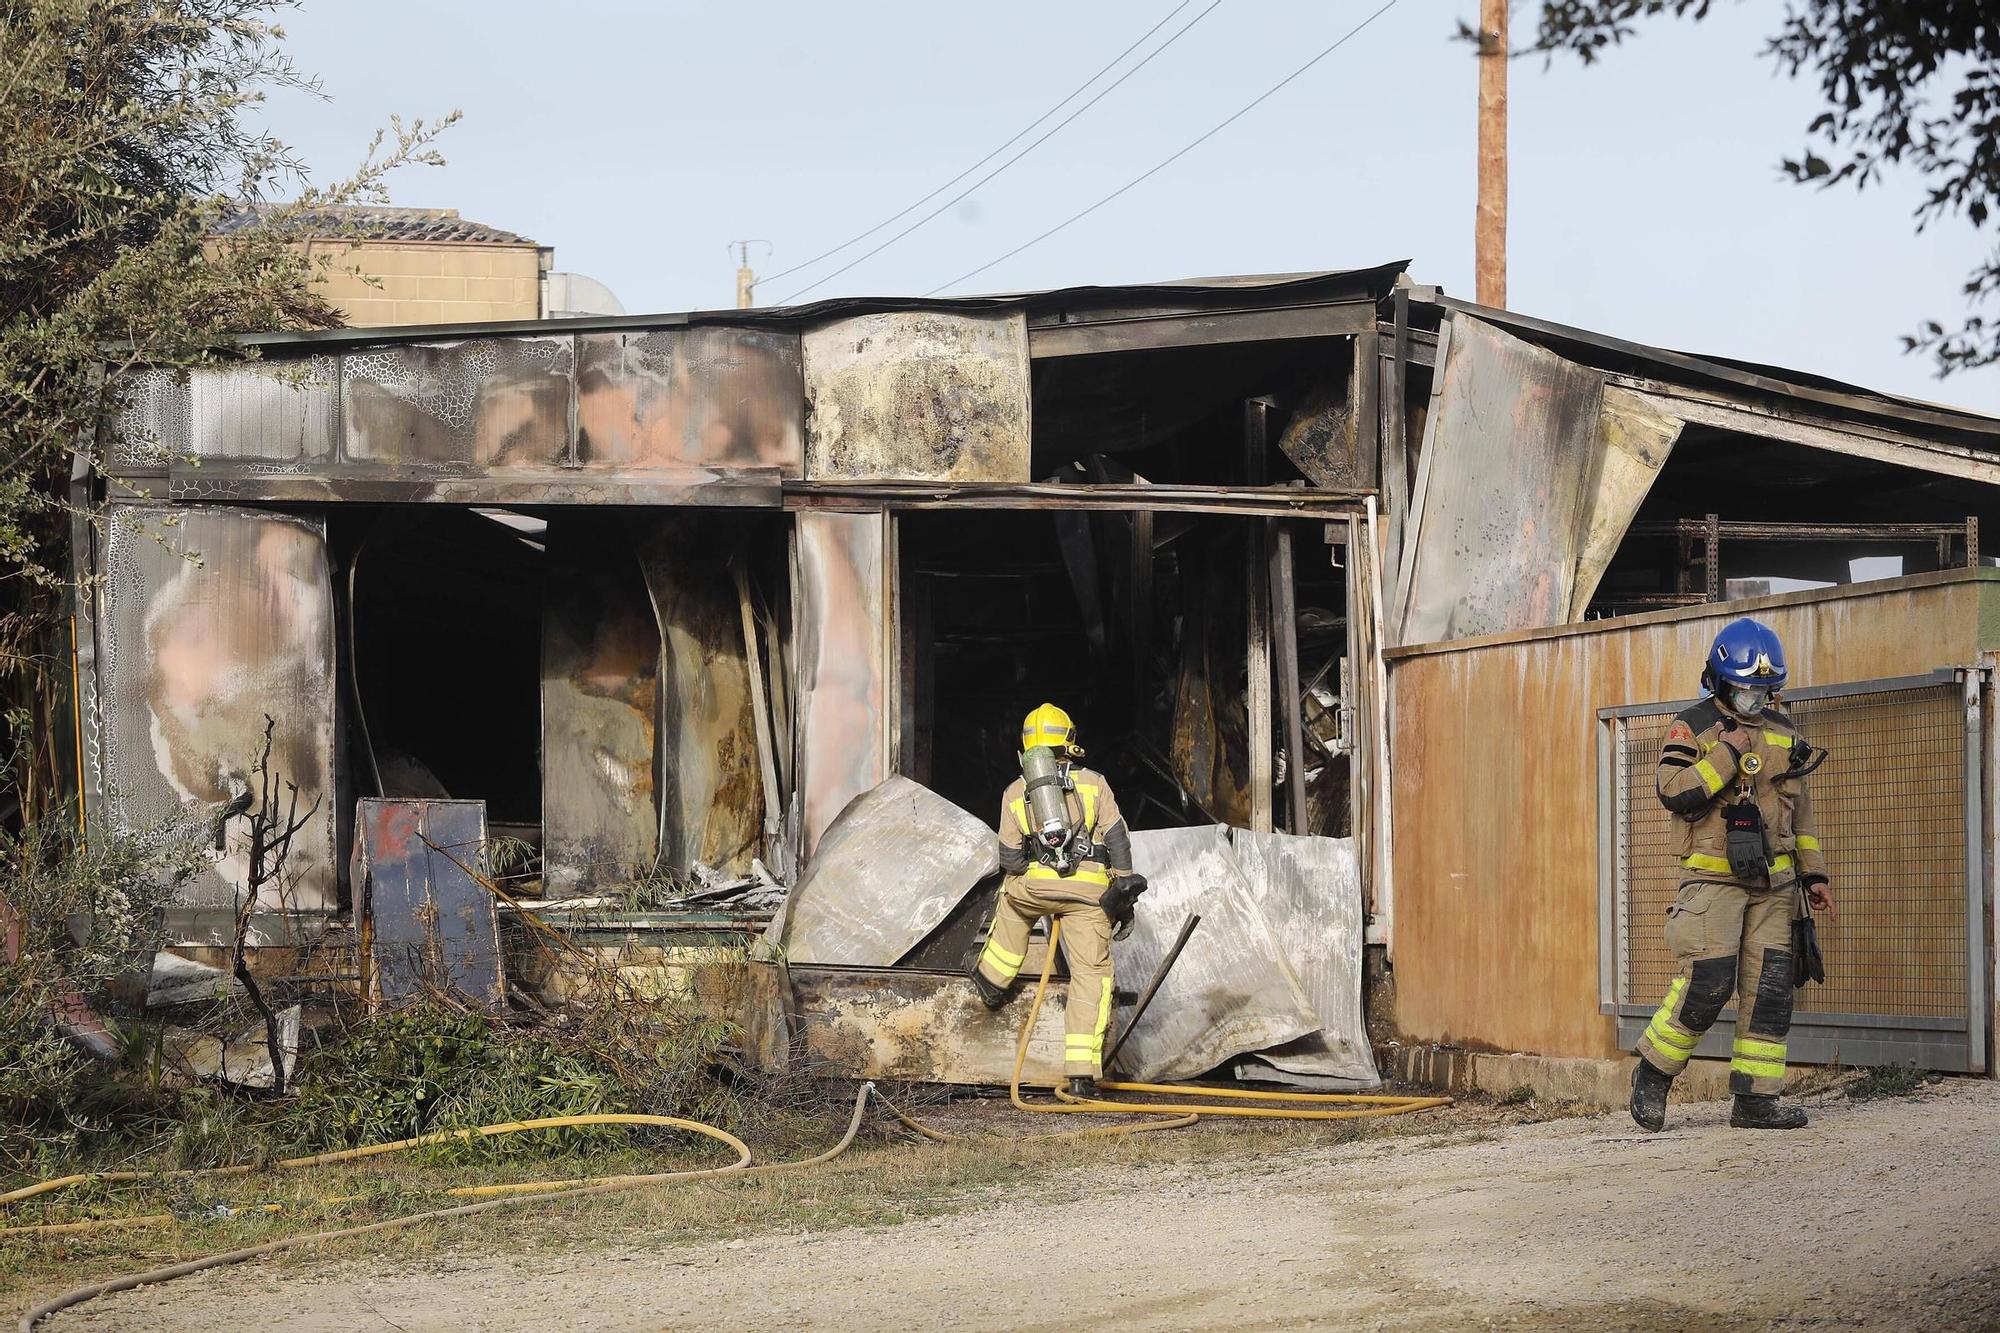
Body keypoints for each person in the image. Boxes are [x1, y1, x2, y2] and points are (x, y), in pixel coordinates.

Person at [1631, 617, 1834, 1132]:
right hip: (1714, 882)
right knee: (1708, 984)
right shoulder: (1693, 726)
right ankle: (1653, 1074)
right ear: (1721, 682)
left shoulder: (1785, 732)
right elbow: (1673, 790)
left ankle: (1756, 1101)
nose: (1755, 698)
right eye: (1746, 688)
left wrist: (1814, 874)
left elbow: (1800, 813)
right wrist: (1727, 752)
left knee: (1770, 990)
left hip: (1776, 887)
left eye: (1764, 689)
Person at [969, 703, 1146, 1098]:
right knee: (1092, 977)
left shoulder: (1015, 792)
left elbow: (1010, 861)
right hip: (1089, 899)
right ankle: (1082, 1077)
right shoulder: (1095, 783)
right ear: (1069, 743)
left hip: (1036, 891)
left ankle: (993, 980)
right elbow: (1118, 840)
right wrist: (1122, 894)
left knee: (1011, 901)